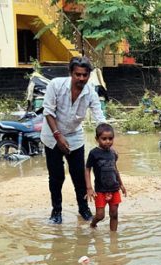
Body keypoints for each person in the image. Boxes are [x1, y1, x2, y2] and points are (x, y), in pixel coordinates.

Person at [41, 56, 106, 224]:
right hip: (52, 136)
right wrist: (58, 136)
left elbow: (99, 115)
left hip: (75, 136)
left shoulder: (90, 91)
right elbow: (48, 112)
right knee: (56, 176)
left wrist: (106, 137)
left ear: (89, 75)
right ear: (71, 73)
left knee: (79, 175)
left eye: (85, 75)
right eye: (78, 74)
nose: (81, 78)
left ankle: (83, 209)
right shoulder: (55, 85)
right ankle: (56, 211)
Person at [84, 123, 126, 231]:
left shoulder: (113, 153)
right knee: (100, 215)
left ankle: (113, 238)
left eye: (110, 138)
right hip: (100, 190)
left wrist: (121, 184)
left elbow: (115, 169)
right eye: (104, 139)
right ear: (97, 139)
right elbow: (87, 169)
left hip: (114, 188)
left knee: (114, 214)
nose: (108, 141)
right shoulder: (94, 153)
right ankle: (93, 224)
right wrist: (89, 188)